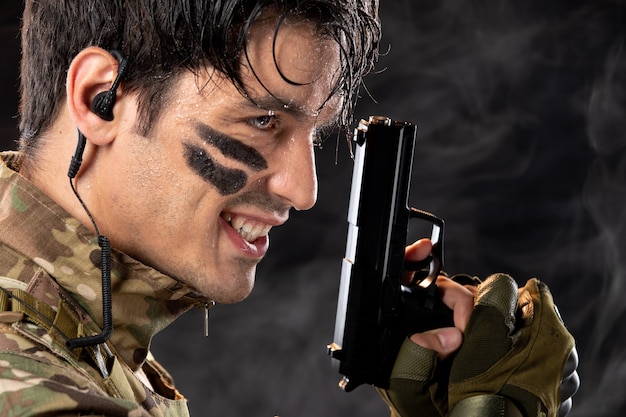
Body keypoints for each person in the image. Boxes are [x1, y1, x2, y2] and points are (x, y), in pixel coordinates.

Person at [0, 1, 578, 416]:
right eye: (263, 121)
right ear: (100, 100)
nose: (303, 191)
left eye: (316, 135)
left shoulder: (92, 341)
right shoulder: (35, 386)